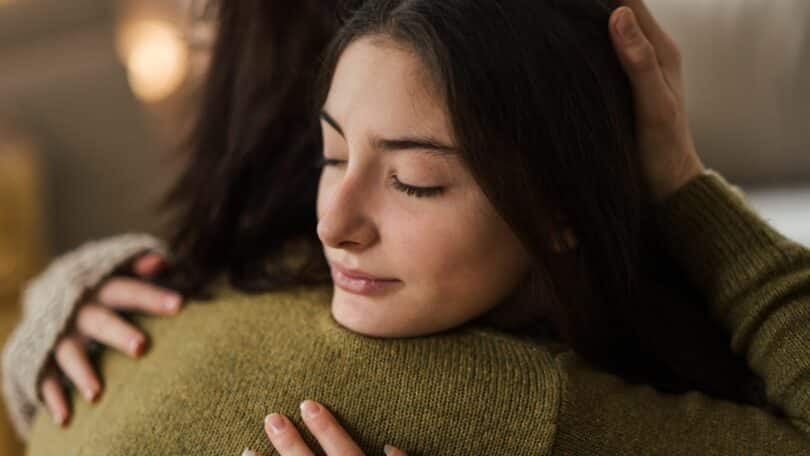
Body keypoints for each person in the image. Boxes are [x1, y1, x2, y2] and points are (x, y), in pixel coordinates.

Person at [7, 0, 810, 454]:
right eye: (330, 155)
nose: (335, 224)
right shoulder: (277, 252)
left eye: (415, 181)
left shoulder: (536, 408)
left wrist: (681, 184)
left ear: (560, 214)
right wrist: (63, 300)